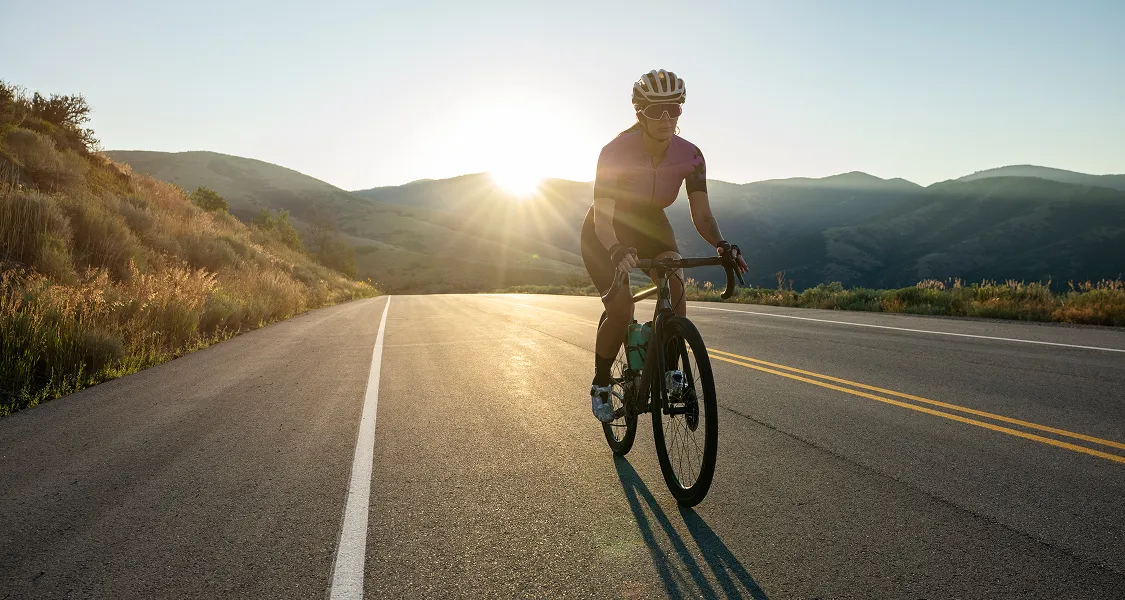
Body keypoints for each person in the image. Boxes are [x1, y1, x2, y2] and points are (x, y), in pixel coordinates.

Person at [582, 69, 749, 423]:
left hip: (652, 225)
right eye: (656, 110)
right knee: (622, 310)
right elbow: (602, 219)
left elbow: (702, 216)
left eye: (674, 109)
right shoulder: (614, 152)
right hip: (607, 229)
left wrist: (721, 244)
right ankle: (600, 384)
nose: (666, 118)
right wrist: (615, 249)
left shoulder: (691, 155)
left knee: (675, 281)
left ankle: (673, 371)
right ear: (639, 111)